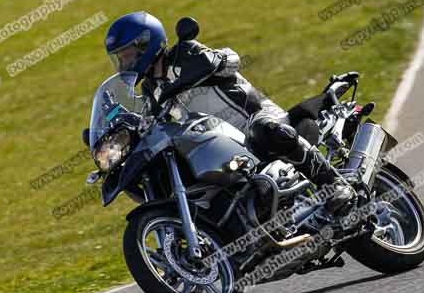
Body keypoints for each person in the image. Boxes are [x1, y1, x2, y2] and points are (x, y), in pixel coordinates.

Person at [104, 11, 355, 213]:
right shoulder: (150, 91)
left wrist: (215, 60)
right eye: (119, 58)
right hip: (220, 144)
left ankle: (333, 184)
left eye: (127, 55)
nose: (124, 64)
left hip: (252, 119)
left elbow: (230, 58)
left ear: (146, 44)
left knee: (266, 130)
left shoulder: (186, 54)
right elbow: (150, 126)